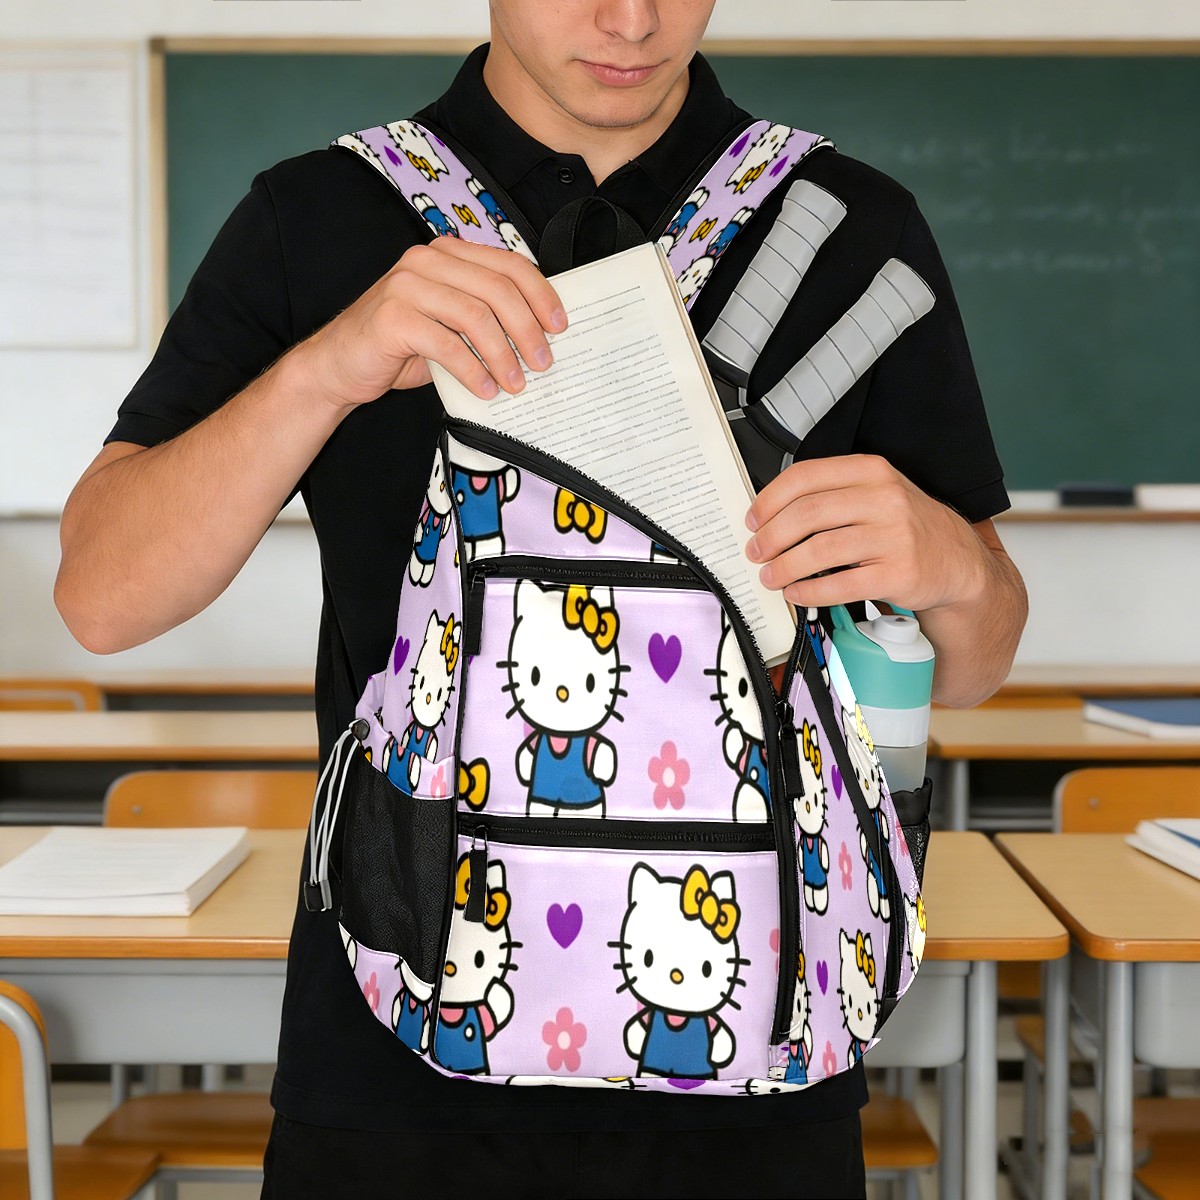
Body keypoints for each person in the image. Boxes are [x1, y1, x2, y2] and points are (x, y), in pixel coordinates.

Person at [56, 3, 1028, 1196]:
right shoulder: (317, 218)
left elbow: (978, 662)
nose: (632, 18)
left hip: (764, 1055)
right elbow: (102, 597)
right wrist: (326, 368)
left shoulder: (848, 229)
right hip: (395, 1065)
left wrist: (953, 562)